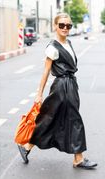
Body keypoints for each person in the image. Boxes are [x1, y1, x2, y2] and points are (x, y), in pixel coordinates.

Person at [17, 13, 97, 169]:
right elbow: (46, 72)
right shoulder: (52, 47)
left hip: (71, 86)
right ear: (55, 26)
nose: (65, 28)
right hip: (61, 88)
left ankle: (26, 147)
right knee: (74, 120)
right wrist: (39, 94)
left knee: (49, 120)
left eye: (68, 26)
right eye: (61, 25)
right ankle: (78, 158)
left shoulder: (69, 43)